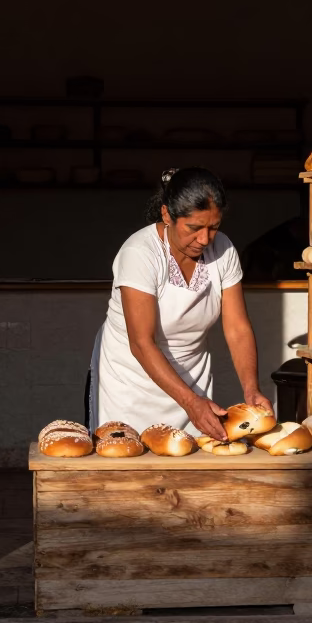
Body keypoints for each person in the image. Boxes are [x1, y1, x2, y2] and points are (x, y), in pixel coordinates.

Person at [87, 167, 272, 441]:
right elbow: (141, 343)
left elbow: (237, 327)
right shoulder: (139, 253)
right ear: (167, 215)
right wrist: (190, 401)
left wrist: (251, 388)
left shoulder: (224, 249)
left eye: (214, 227)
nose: (205, 239)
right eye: (194, 228)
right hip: (129, 385)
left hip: (193, 380)